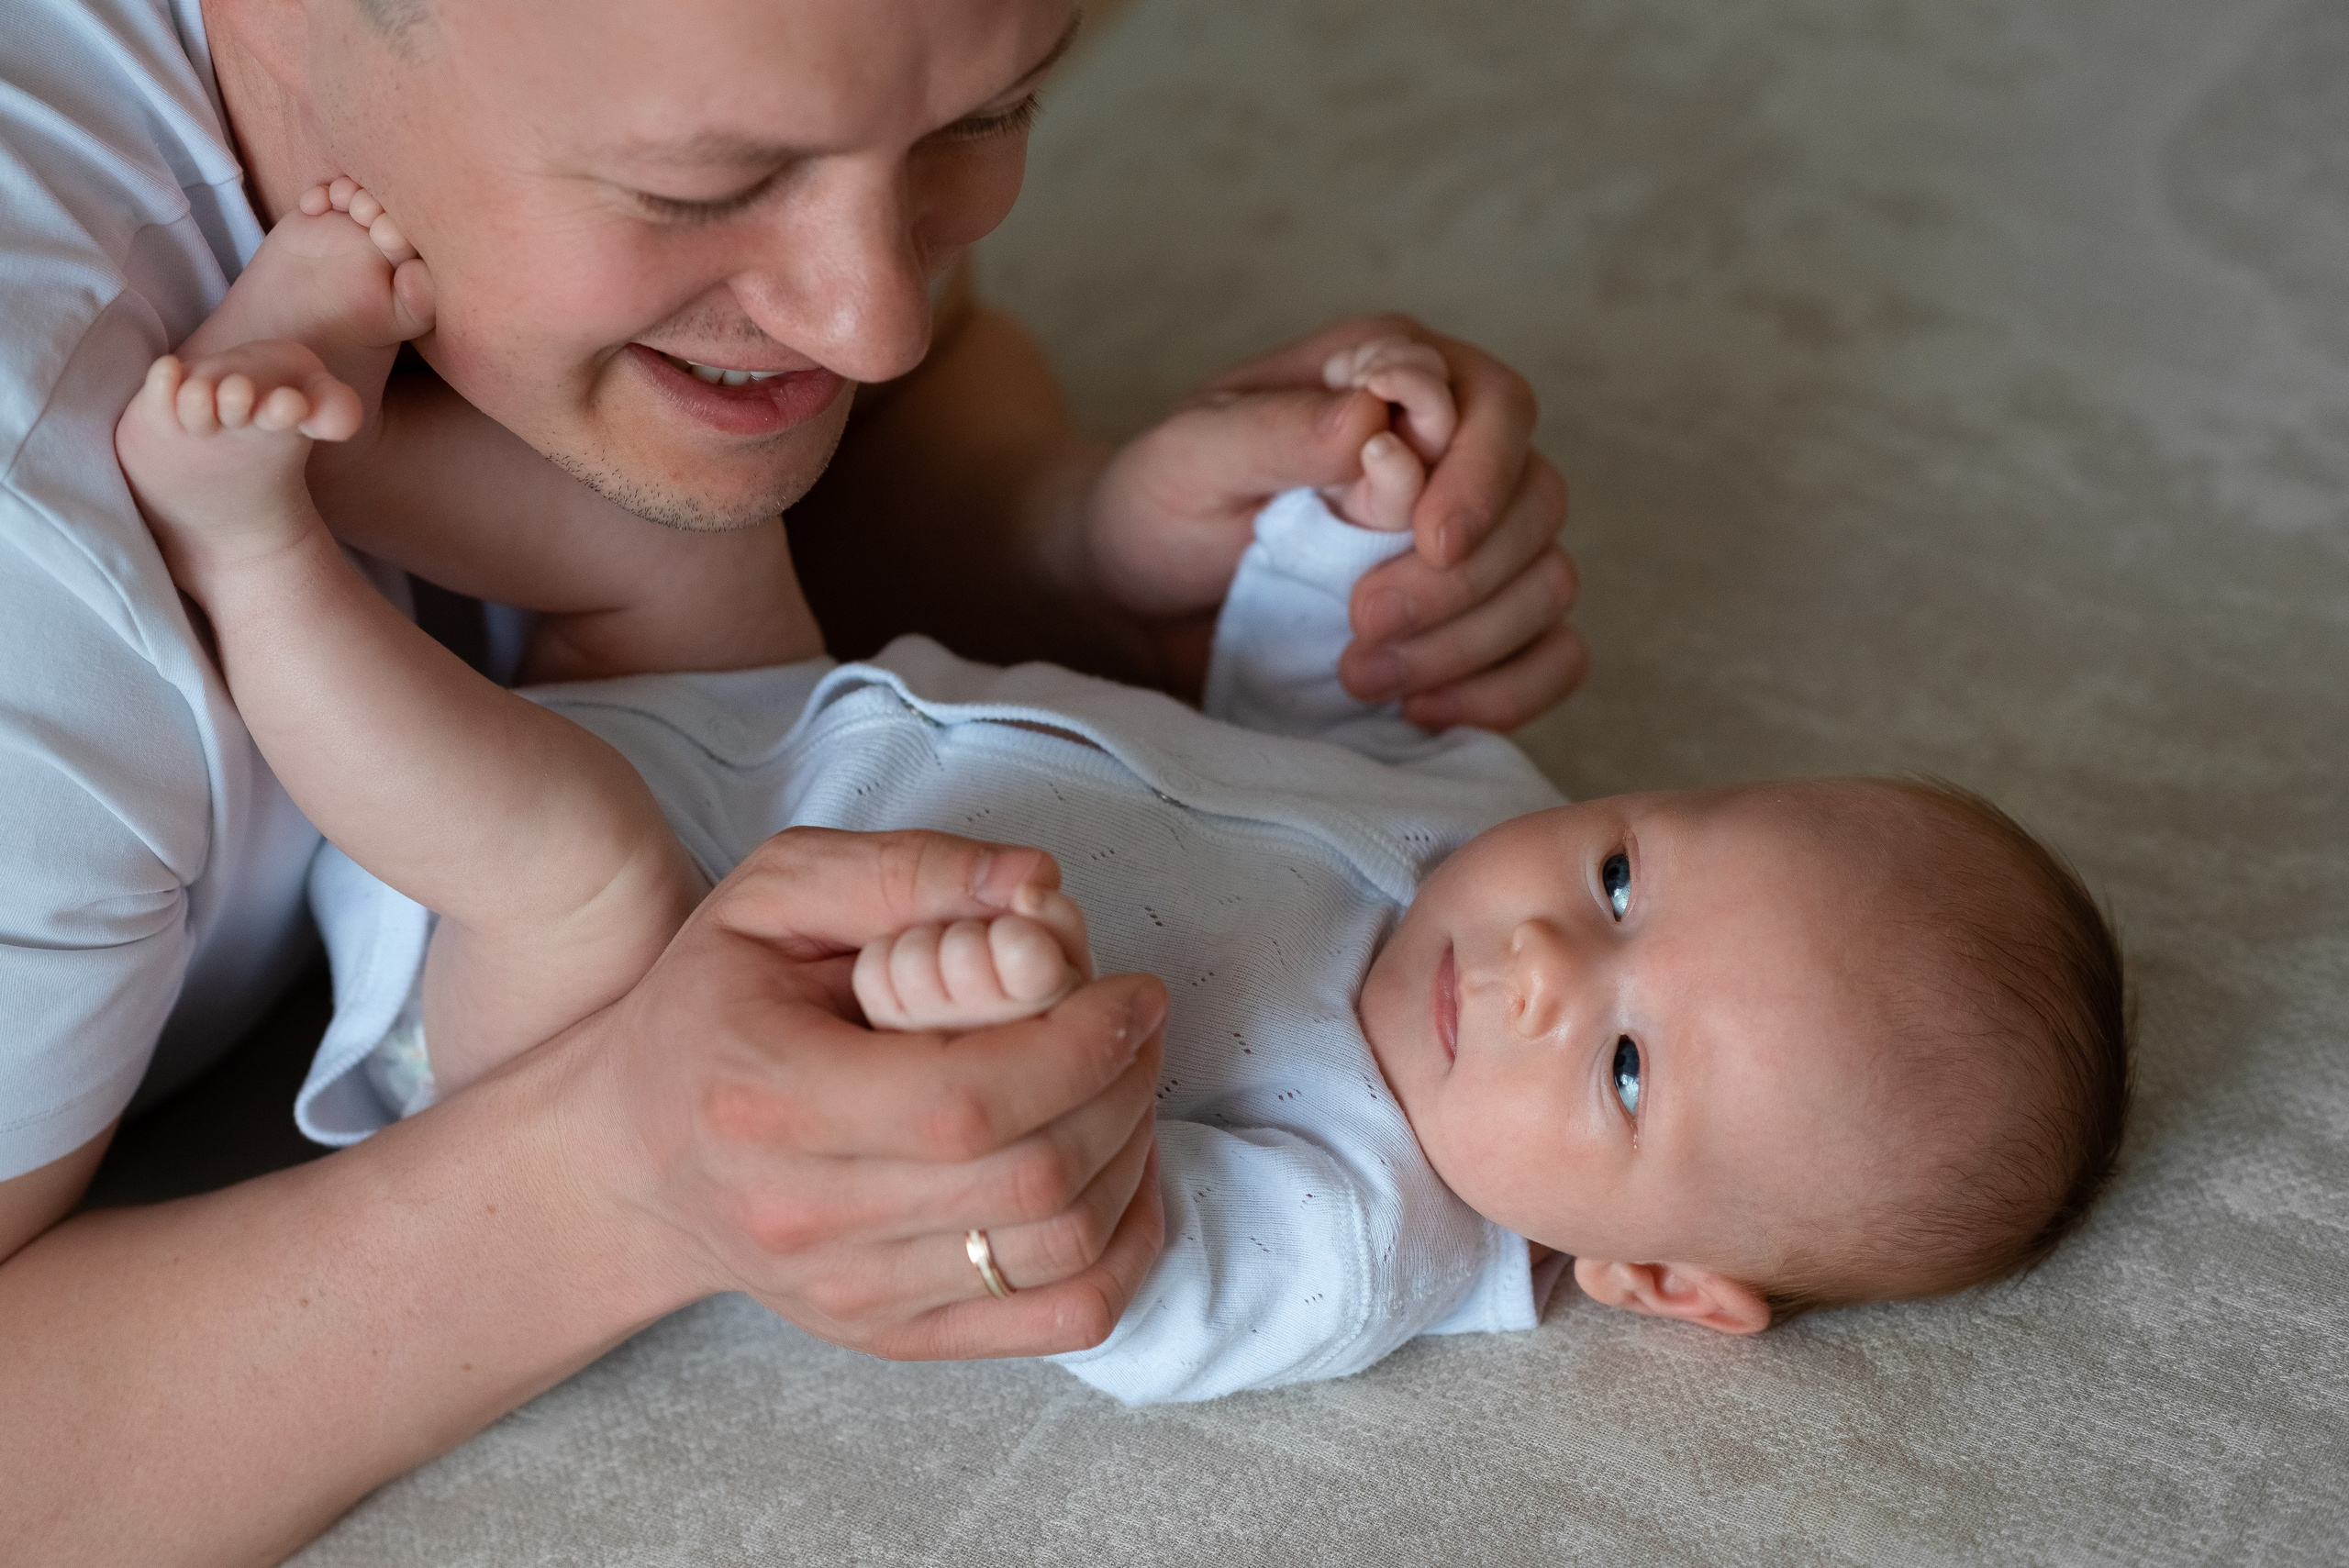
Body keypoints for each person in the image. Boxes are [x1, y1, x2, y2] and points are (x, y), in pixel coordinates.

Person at [0, 0, 1582, 1557]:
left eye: (988, 119)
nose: (871, 316)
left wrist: (1068, 560)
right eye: (704, 188)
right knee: (586, 873)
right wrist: (613, 1185)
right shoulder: (38, 591)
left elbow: (908, 391)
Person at [113, 202, 2130, 1404]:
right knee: (677, 550)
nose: (1530, 966)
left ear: (1658, 1280)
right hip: (776, 712)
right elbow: (1282, 698)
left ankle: (246, 543)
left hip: (598, 1001)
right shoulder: (1472, 826)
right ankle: (313, 412)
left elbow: (1103, 1275)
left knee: (570, 855)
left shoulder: (1361, 1238)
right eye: (1620, 880)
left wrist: (986, 1024)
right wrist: (1345, 518)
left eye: (1619, 1071)